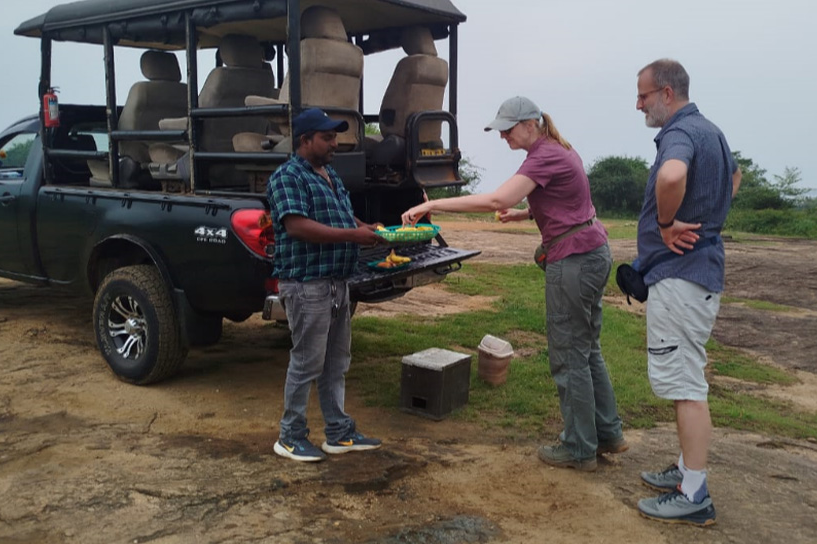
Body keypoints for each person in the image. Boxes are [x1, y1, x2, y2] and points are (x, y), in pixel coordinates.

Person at [402, 96, 626, 471]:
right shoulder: (556, 150)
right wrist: (523, 215)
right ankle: (607, 434)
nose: (503, 134)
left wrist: (432, 206)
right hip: (590, 250)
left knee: (570, 355)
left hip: (573, 260)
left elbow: (495, 198)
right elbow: (562, 199)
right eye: (500, 129)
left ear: (531, 124)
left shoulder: (544, 155)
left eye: (508, 128)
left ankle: (579, 447)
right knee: (587, 350)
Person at [632, 59, 742, 526]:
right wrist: (710, 216)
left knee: (686, 386)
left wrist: (664, 224)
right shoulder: (710, 130)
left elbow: (671, 176)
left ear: (667, 94)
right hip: (698, 272)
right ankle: (683, 471)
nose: (639, 105)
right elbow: (734, 178)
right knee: (686, 378)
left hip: (681, 276)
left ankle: (694, 493)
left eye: (643, 95)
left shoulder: (679, 133)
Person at [266, 107, 387, 462]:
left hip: (336, 283)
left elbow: (342, 214)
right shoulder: (288, 177)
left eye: (335, 136)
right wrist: (354, 235)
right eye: (328, 137)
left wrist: (370, 228)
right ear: (305, 141)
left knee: (337, 361)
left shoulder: (328, 173)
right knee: (307, 361)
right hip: (307, 285)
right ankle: (290, 436)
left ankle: (339, 433)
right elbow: (297, 226)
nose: (335, 143)